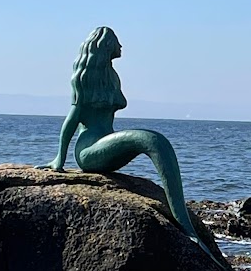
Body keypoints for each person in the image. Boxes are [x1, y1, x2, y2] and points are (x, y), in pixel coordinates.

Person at [47, 26, 204, 247]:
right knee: (153, 140)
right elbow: (71, 120)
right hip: (89, 151)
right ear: (107, 46)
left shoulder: (111, 76)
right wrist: (59, 160)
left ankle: (183, 218)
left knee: (156, 142)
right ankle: (187, 227)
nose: (121, 47)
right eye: (117, 42)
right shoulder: (83, 80)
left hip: (106, 143)